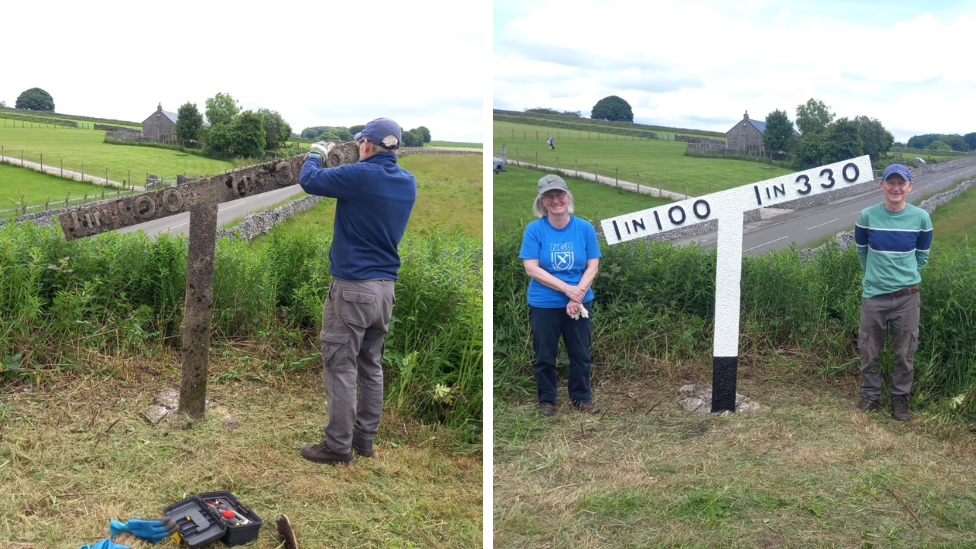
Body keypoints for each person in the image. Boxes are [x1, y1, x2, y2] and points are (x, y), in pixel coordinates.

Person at [297, 118, 417, 464]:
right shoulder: (408, 182)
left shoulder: (360, 175)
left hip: (352, 288)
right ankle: (364, 440)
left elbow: (309, 180)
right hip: (384, 290)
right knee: (371, 365)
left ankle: (337, 446)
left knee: (340, 365)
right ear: (396, 148)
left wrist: (316, 153)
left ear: (366, 144)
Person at [853, 163, 932, 422]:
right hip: (874, 296)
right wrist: (875, 278)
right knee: (869, 349)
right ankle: (871, 396)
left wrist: (903, 279)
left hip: (907, 297)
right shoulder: (866, 216)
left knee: (904, 352)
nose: (896, 188)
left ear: (910, 186)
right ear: (882, 185)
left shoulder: (921, 218)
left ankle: (900, 399)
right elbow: (862, 252)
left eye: (901, 183)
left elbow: (922, 257)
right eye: (891, 182)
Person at [519, 174, 601, 417]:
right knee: (544, 354)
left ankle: (581, 398)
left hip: (580, 302)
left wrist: (577, 296)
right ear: (542, 202)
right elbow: (531, 268)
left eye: (559, 195)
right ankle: (547, 401)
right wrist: (567, 290)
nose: (556, 201)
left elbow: (592, 265)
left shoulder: (584, 228)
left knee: (580, 353)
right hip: (544, 303)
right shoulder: (534, 230)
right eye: (549, 197)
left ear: (568, 197)